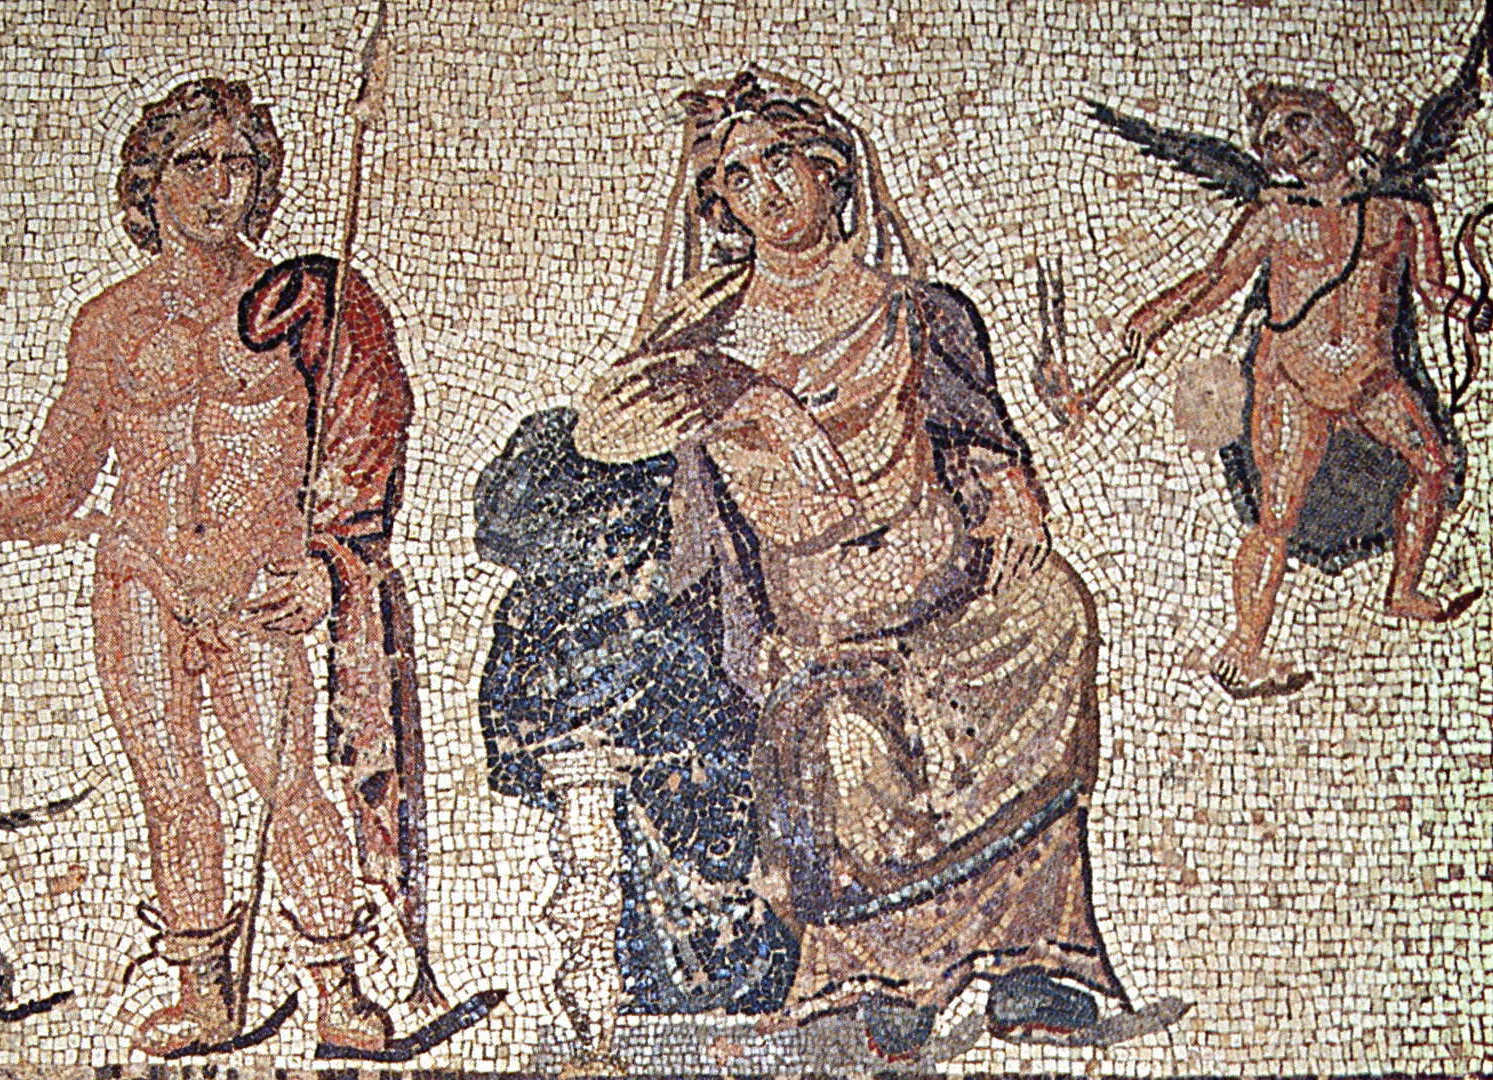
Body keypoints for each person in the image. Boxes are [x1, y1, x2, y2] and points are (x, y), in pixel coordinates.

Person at [0, 78, 434, 1055]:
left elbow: (364, 439)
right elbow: (58, 476)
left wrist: (329, 567)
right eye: (193, 163)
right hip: (140, 578)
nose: (219, 185)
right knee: (173, 795)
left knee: (287, 784)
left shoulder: (299, 303)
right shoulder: (111, 322)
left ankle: (338, 986)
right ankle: (203, 991)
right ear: (150, 179)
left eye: (238, 163)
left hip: (256, 585)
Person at [574, 69, 1128, 1059]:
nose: (764, 190)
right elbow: (604, 424)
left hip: (947, 590)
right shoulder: (711, 328)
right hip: (821, 621)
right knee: (853, 751)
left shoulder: (916, 310)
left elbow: (974, 434)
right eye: (738, 178)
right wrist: (751, 397)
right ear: (721, 205)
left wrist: (1009, 488)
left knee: (1051, 616)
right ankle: (891, 974)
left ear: (831, 172)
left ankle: (1028, 958)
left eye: (779, 161)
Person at [1119, 82, 1486, 698]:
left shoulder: (1400, 212)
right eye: (1274, 142)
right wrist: (1154, 317)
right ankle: (1244, 646)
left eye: (1300, 123)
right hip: (1294, 379)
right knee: (1277, 516)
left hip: (1372, 379)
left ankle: (1403, 590)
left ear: (1337, 123)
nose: (1292, 146)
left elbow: (1430, 288)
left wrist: (1470, 310)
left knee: (1434, 464)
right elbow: (1218, 278)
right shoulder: (1275, 216)